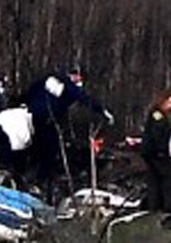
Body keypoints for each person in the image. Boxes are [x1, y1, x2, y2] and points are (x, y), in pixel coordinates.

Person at [23, 65, 111, 193]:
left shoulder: (48, 78)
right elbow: (84, 98)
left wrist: (23, 101)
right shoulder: (69, 86)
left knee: (32, 147)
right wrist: (102, 110)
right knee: (50, 151)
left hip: (29, 117)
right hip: (47, 120)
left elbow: (32, 89)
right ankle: (40, 181)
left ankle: (27, 174)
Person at [140, 91, 171, 213]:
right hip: (157, 154)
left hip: (153, 153)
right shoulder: (158, 116)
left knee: (155, 180)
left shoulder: (157, 115)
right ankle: (166, 206)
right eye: (170, 102)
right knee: (164, 180)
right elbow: (157, 135)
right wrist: (160, 152)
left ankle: (155, 205)